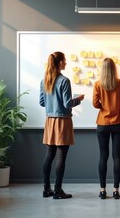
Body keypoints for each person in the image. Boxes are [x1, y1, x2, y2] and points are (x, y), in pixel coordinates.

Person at [39, 51, 85, 199]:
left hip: (49, 121)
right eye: (64, 61)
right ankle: (58, 190)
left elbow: (41, 102)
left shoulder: (44, 80)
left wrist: (52, 103)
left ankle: (47, 189)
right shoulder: (64, 81)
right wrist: (78, 99)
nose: (66, 63)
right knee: (61, 158)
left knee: (49, 155)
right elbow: (67, 104)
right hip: (62, 122)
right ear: (59, 63)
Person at [92, 58, 120, 200]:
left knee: (103, 156)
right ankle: (115, 190)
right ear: (114, 69)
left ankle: (102, 190)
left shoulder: (97, 84)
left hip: (102, 124)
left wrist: (104, 105)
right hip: (118, 123)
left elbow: (95, 104)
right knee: (117, 156)